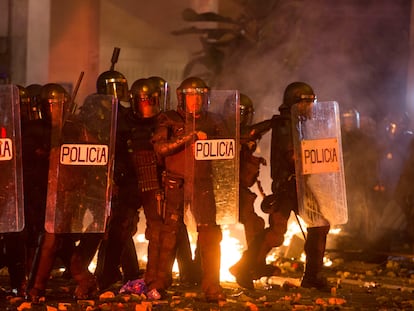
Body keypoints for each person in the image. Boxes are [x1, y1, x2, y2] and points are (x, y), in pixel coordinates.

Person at [230, 82, 331, 290]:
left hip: (301, 185)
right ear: (294, 104)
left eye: (311, 103)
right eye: (305, 103)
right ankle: (244, 267)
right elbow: (292, 155)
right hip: (288, 186)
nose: (310, 107)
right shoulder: (286, 124)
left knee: (319, 226)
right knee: (276, 233)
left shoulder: (302, 124)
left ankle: (312, 276)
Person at [152, 77, 227, 302]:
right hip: (175, 182)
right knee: (169, 234)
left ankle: (212, 286)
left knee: (210, 235)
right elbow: (161, 148)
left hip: (203, 184)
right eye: (191, 96)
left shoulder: (214, 120)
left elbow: (228, 147)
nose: (195, 101)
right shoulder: (169, 119)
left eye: (199, 96)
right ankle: (160, 282)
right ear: (182, 98)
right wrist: (189, 136)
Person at [27, 83, 98, 302]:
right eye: (51, 105)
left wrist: (66, 149)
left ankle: (37, 288)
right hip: (40, 192)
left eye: (60, 105)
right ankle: (85, 279)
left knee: (52, 238)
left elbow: (95, 153)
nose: (55, 110)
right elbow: (28, 156)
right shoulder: (34, 129)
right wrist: (47, 152)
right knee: (61, 241)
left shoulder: (76, 128)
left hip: (66, 191)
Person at [94, 69, 142, 290]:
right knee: (103, 226)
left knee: (120, 225)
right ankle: (110, 271)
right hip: (95, 175)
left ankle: (121, 272)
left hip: (122, 176)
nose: (118, 93)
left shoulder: (125, 116)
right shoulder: (92, 113)